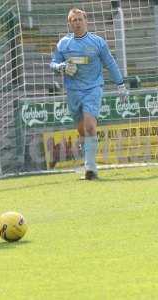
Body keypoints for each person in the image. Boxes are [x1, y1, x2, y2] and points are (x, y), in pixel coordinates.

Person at [50, 8, 128, 180]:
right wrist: (61, 67)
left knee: (90, 126)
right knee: (82, 129)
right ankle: (88, 159)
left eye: (80, 19)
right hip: (73, 91)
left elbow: (110, 63)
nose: (77, 23)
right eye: (73, 20)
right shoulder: (63, 44)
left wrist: (120, 84)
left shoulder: (98, 42)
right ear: (69, 23)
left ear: (86, 21)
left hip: (93, 88)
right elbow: (53, 63)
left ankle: (90, 169)